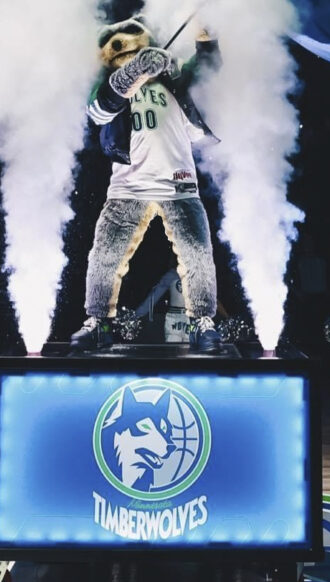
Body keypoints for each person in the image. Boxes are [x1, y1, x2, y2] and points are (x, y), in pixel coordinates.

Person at [70, 16, 223, 353]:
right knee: (105, 256)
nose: (123, 46)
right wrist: (134, 70)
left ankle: (202, 321)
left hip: (179, 181)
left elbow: (208, 67)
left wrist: (205, 29)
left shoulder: (175, 73)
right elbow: (99, 110)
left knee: (197, 256)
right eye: (115, 44)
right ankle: (98, 320)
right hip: (128, 184)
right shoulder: (108, 82)